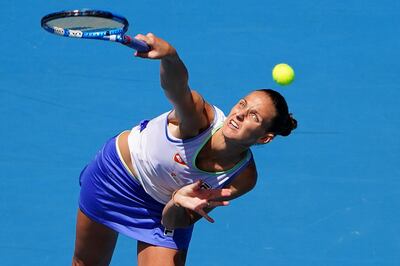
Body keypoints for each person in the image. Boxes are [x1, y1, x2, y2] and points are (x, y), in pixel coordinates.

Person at [72, 33, 297, 266]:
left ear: (265, 138)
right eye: (242, 104)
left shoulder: (243, 177)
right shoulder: (199, 119)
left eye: (254, 116)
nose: (240, 114)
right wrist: (170, 56)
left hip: (162, 205)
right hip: (116, 177)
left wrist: (177, 202)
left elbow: (175, 220)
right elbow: (177, 89)